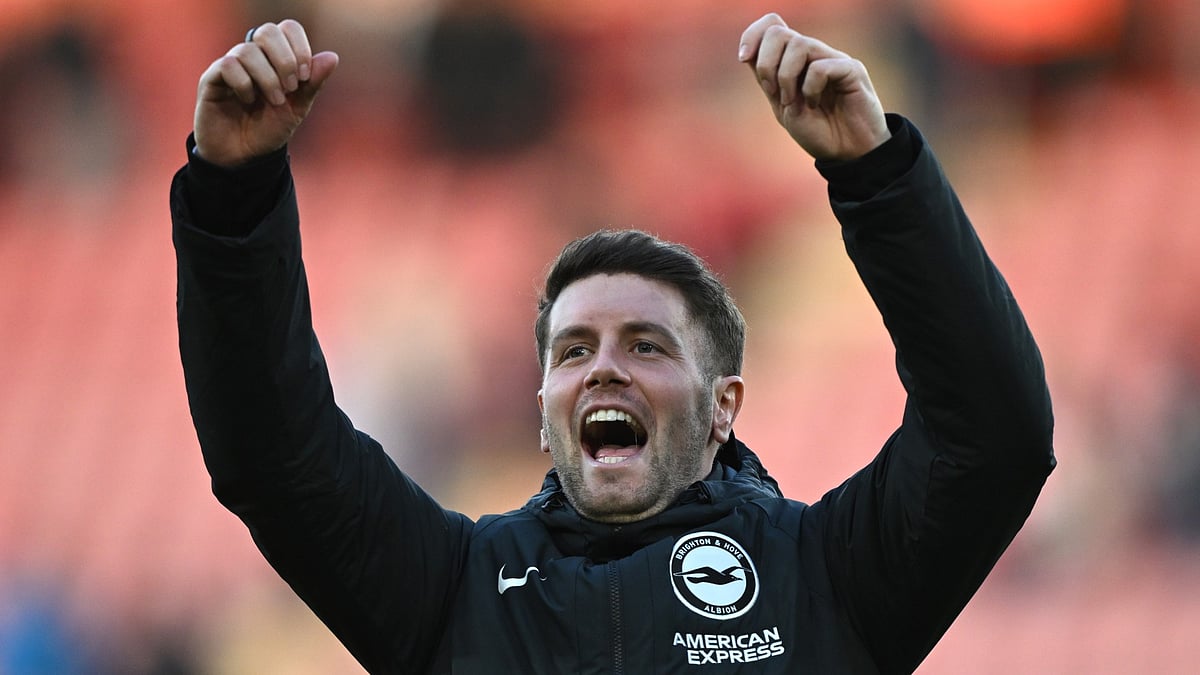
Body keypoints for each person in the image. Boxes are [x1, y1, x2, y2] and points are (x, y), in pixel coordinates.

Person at [170, 12, 1055, 674]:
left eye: (646, 345)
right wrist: (234, 193)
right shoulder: (453, 592)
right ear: (544, 407)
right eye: (572, 350)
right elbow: (272, 453)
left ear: (724, 406)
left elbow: (996, 437)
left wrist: (878, 174)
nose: (602, 366)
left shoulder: (830, 576)